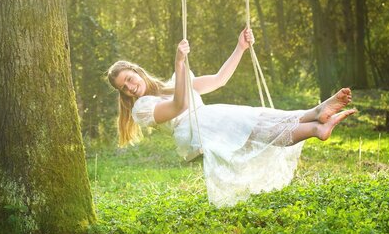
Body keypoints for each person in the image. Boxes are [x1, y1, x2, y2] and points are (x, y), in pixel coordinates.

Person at [107, 28, 357, 207]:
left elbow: (218, 80)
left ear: (136, 71)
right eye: (124, 88)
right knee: (261, 131)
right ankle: (315, 126)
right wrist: (179, 63)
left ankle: (317, 116)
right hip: (196, 129)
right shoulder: (141, 108)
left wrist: (240, 47)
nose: (129, 87)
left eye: (129, 79)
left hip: (210, 117)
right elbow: (179, 105)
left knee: (262, 117)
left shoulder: (171, 85)